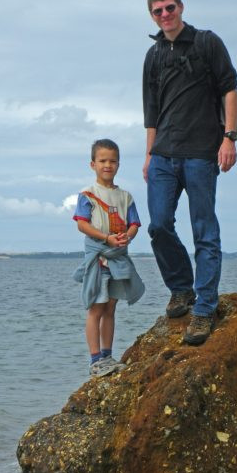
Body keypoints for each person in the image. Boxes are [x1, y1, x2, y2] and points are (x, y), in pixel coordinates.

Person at [142, 0, 237, 345]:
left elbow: (229, 88)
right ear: (151, 15)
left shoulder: (207, 43)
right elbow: (151, 112)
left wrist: (229, 138)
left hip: (202, 153)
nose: (165, 15)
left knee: (205, 233)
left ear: (181, 7)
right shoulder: (152, 56)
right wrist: (149, 155)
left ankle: (203, 310)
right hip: (164, 154)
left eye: (170, 8)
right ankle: (181, 289)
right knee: (158, 225)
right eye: (158, 11)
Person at [73, 138, 145, 376]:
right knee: (96, 307)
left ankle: (107, 355)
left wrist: (127, 237)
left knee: (111, 308)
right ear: (92, 164)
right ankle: (95, 361)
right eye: (102, 160)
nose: (108, 165)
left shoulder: (125, 196)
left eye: (112, 161)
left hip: (119, 257)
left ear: (118, 164)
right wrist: (106, 239)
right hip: (99, 258)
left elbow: (134, 223)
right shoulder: (88, 194)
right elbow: (82, 225)